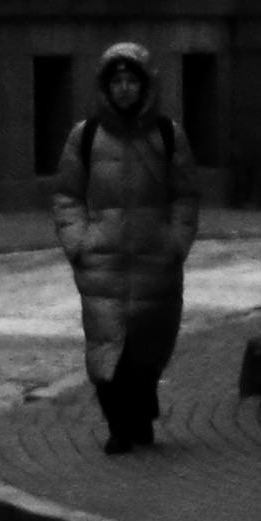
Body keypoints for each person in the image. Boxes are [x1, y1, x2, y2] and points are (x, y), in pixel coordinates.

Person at [51, 35, 198, 457]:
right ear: (106, 86)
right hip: (103, 263)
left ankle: (140, 414)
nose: (124, 89)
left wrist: (176, 242)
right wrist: (78, 242)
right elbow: (67, 195)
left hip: (156, 261)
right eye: (116, 82)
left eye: (131, 81)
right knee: (106, 346)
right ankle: (118, 427)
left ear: (144, 85)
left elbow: (185, 196)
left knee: (148, 347)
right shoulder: (86, 136)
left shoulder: (168, 135)